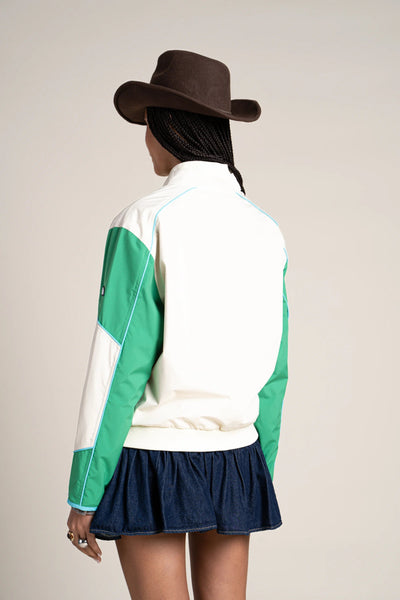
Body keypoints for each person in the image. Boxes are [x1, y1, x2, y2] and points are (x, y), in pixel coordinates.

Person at [66, 49, 289, 600]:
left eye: (148, 124)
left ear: (166, 128)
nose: (145, 139)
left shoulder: (143, 220)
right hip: (236, 457)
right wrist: (259, 469)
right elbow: (275, 370)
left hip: (153, 459)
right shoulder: (266, 230)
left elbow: (119, 362)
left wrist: (85, 489)